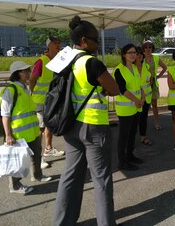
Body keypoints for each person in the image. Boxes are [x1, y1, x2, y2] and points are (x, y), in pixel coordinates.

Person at [53, 16, 120, 226]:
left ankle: (62, 222)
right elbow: (115, 89)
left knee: (70, 177)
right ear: (83, 41)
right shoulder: (91, 62)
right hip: (94, 127)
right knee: (101, 179)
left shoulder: (64, 60)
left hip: (70, 125)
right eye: (94, 39)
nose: (97, 44)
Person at [1, 61, 52, 195]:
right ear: (18, 74)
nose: (29, 73)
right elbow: (5, 115)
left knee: (36, 155)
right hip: (19, 134)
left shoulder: (25, 88)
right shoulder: (10, 90)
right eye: (26, 71)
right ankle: (15, 186)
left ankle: (37, 175)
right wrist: (8, 135)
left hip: (32, 132)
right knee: (17, 161)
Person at [29, 36, 64, 170]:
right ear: (48, 45)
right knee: (40, 130)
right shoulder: (41, 61)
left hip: (51, 101)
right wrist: (32, 93)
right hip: (40, 102)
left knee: (48, 126)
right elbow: (32, 79)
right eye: (55, 43)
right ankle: (38, 158)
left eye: (59, 43)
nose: (58, 45)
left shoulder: (57, 60)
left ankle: (48, 148)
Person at [113, 44, 145, 171]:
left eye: (134, 52)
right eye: (129, 52)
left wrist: (142, 97)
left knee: (133, 134)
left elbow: (140, 86)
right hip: (125, 109)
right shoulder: (119, 70)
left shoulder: (135, 68)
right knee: (124, 136)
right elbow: (122, 90)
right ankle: (122, 162)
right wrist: (137, 100)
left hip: (136, 107)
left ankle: (130, 156)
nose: (133, 54)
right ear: (124, 55)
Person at [142, 40, 167, 131]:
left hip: (153, 85)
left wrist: (158, 76)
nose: (148, 49)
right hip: (143, 85)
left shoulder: (155, 58)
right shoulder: (141, 58)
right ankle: (141, 123)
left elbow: (165, 67)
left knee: (154, 105)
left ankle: (156, 123)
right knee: (144, 105)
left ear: (152, 48)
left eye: (150, 47)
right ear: (143, 49)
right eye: (146, 47)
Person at [135, 46, 153, 146]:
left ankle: (143, 136)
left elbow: (150, 78)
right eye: (137, 54)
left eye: (141, 54)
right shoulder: (131, 68)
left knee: (143, 118)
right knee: (135, 119)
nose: (139, 56)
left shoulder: (146, 66)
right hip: (135, 98)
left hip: (146, 98)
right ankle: (132, 138)